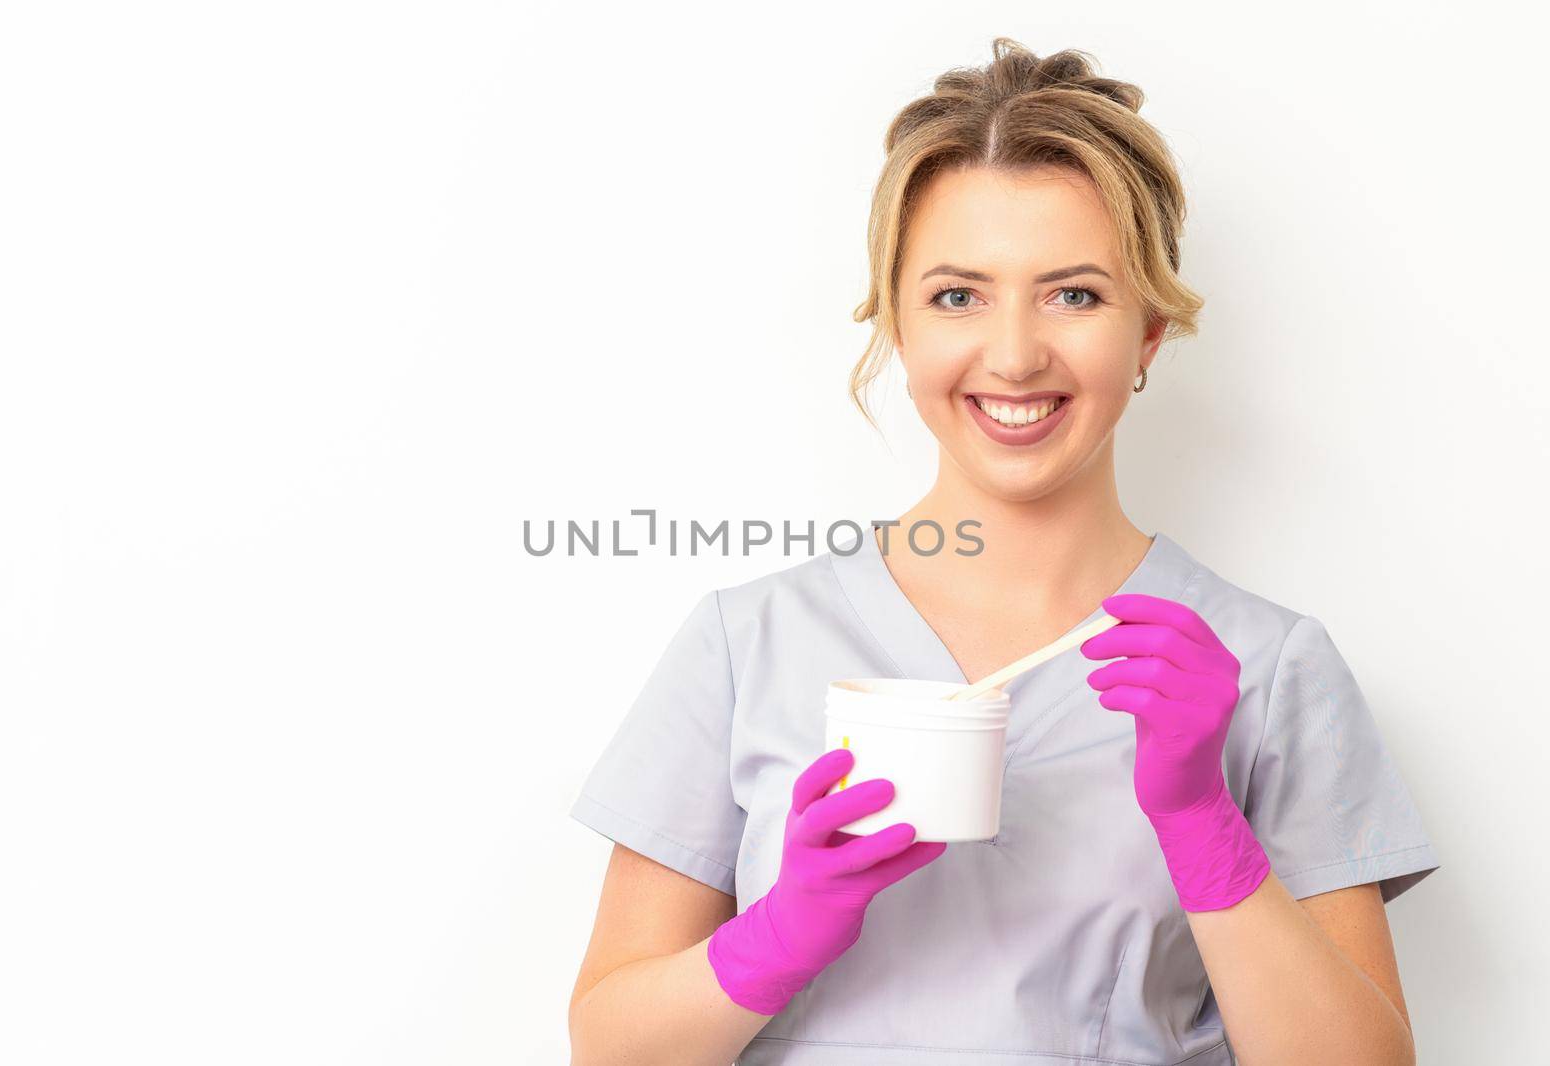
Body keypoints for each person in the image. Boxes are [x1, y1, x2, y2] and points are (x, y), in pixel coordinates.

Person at [565, 38, 1439, 1066]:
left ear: (1149, 331)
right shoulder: (747, 642)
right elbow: (606, 1047)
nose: (1016, 354)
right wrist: (776, 936)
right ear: (895, 319)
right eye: (956, 295)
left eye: (1074, 294)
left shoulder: (1267, 668)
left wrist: (1205, 826)